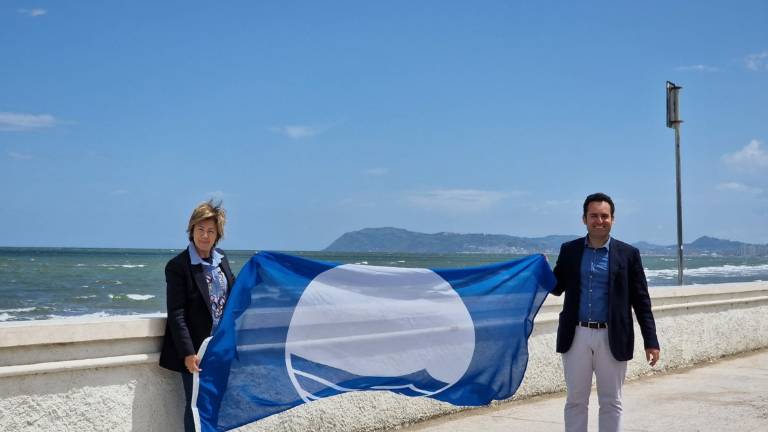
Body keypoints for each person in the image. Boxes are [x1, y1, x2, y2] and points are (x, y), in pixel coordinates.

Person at [551, 192, 660, 432]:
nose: (599, 221)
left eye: (604, 216)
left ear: (612, 219)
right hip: (576, 335)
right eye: (594, 216)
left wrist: (651, 341)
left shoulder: (628, 254)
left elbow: (641, 301)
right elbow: (556, 287)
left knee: (611, 402)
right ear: (584, 219)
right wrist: (537, 270)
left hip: (613, 336)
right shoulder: (569, 250)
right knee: (575, 401)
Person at [159, 200, 236, 432]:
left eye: (211, 231)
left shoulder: (221, 259)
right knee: (196, 407)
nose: (205, 235)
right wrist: (188, 353)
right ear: (191, 230)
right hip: (196, 352)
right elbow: (176, 313)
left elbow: (233, 295)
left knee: (217, 404)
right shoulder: (178, 266)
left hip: (220, 348)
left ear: (218, 235)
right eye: (200, 229)